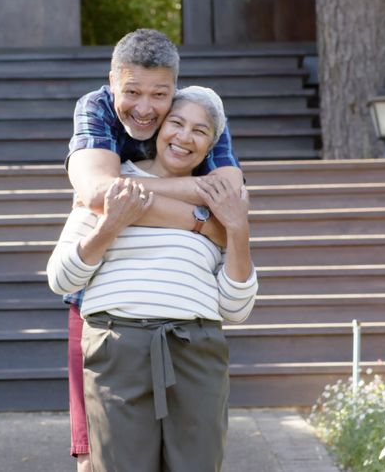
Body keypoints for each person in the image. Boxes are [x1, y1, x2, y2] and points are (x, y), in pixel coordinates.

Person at [49, 86, 257, 472]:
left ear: (211, 145)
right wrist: (109, 226)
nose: (183, 137)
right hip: (117, 346)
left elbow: (237, 307)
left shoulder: (221, 204)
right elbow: (60, 277)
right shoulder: (109, 190)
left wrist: (237, 228)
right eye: (176, 123)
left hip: (194, 348)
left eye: (200, 131)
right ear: (159, 127)